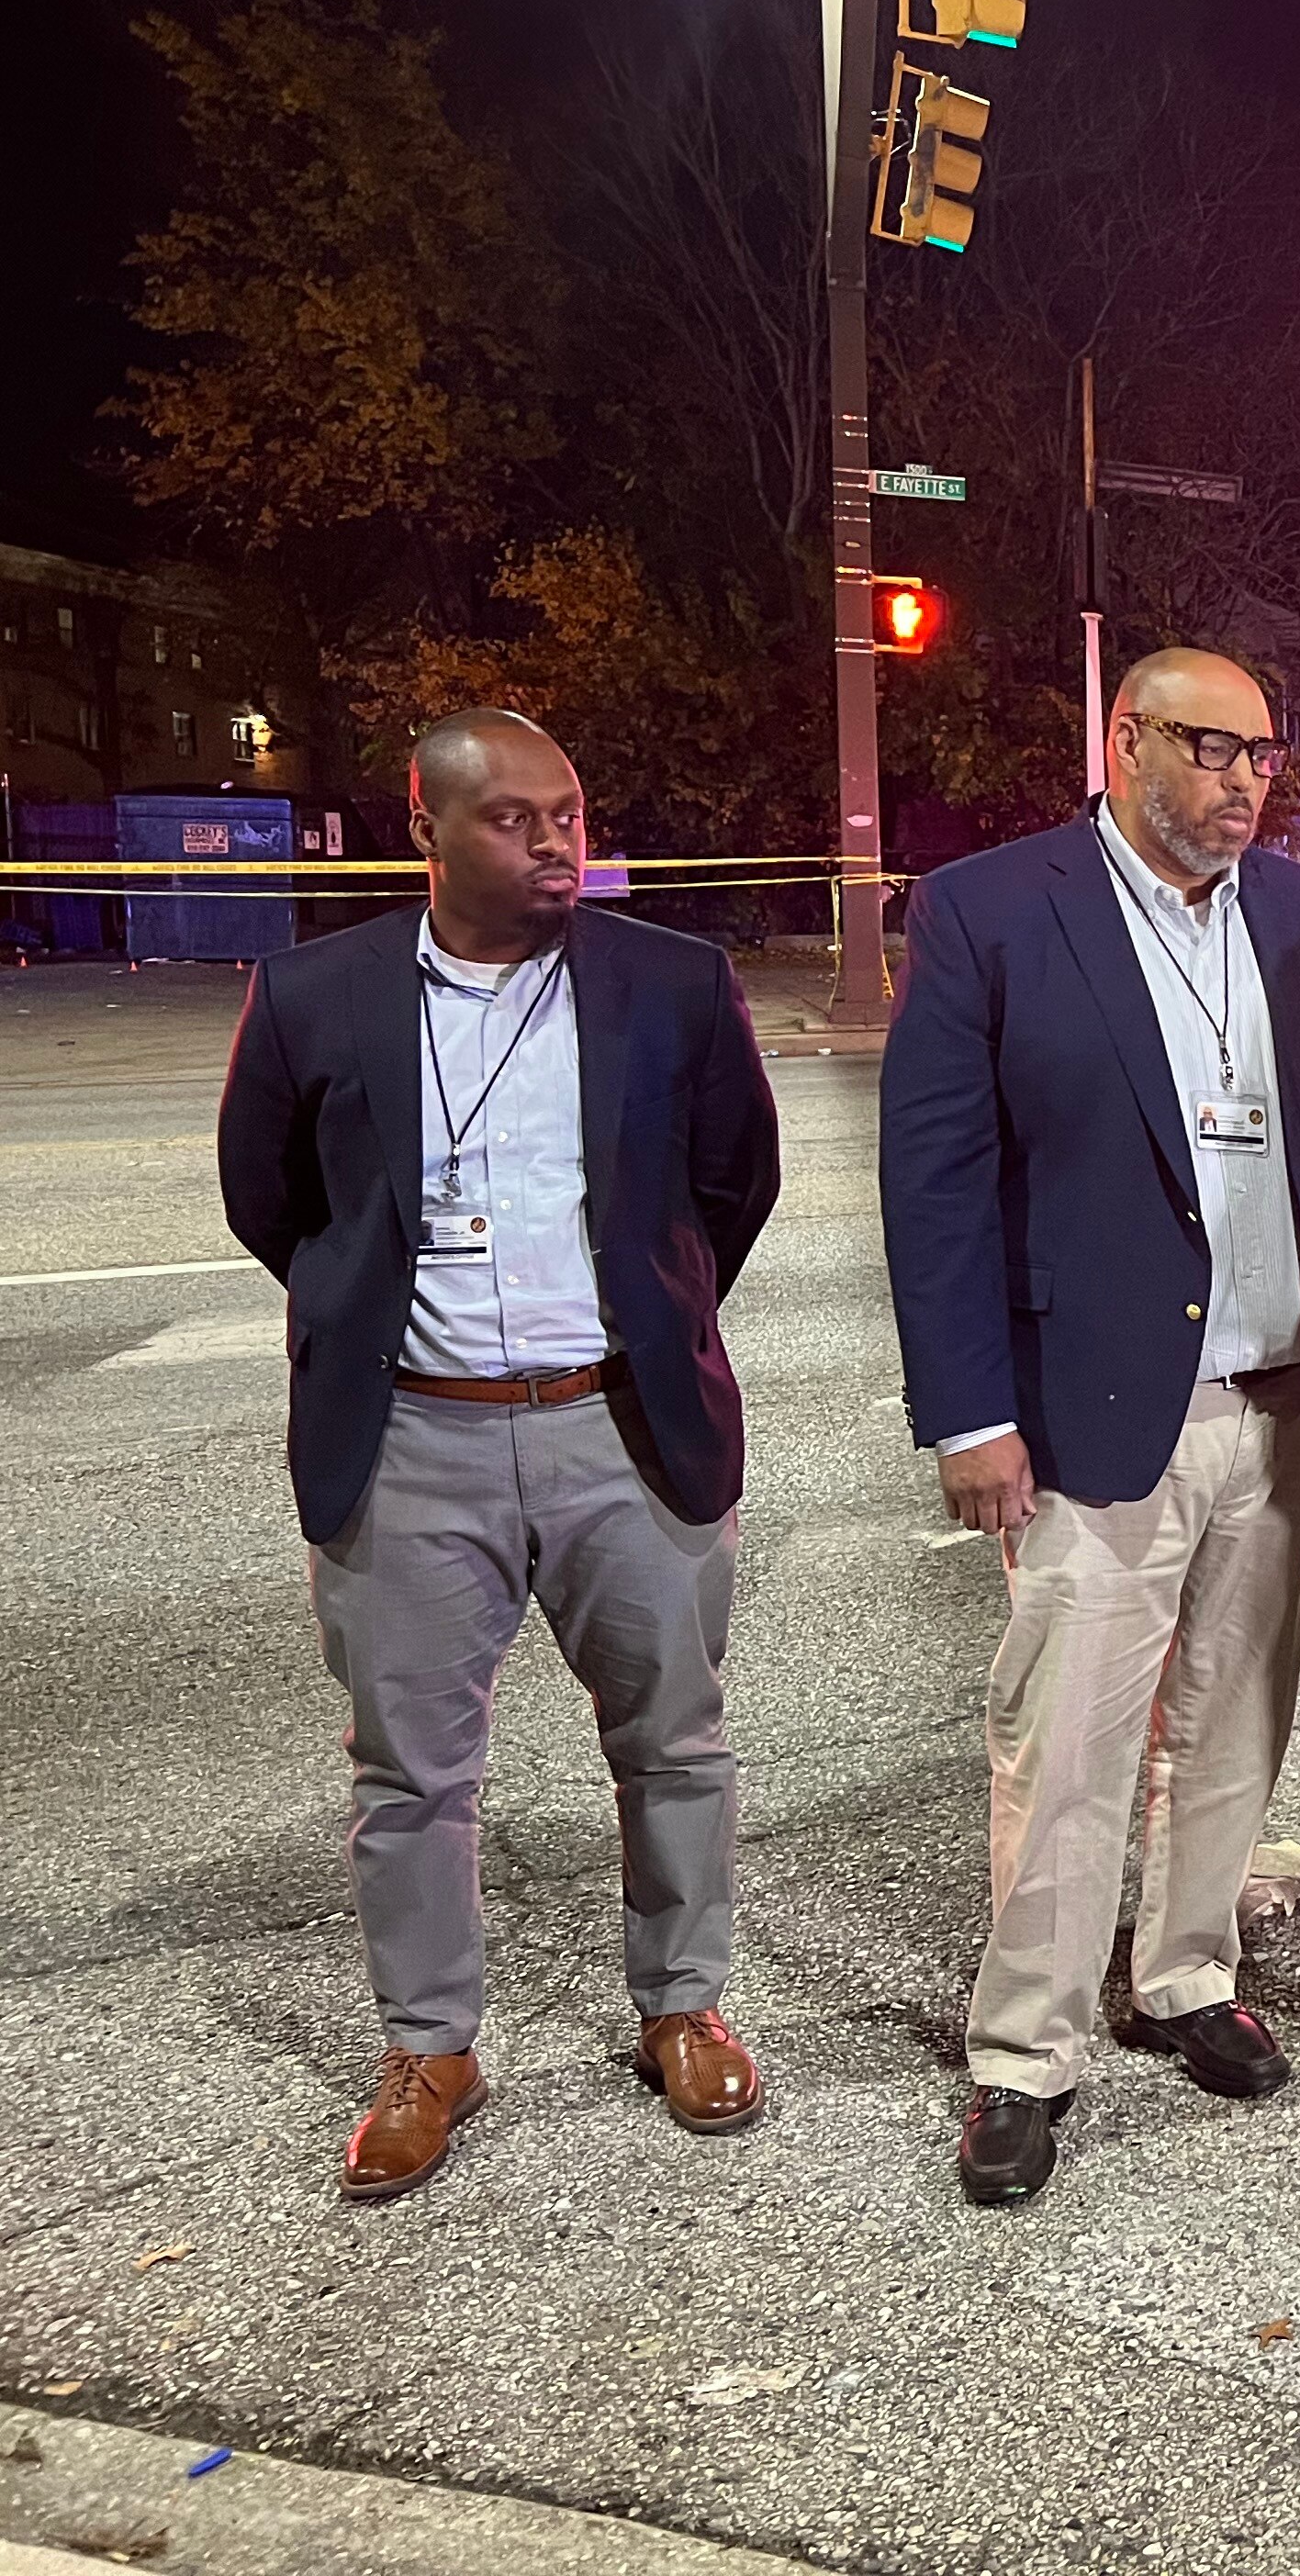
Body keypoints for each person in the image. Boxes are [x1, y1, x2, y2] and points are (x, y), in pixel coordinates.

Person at [214, 709, 783, 2201]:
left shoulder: (673, 985)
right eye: (515, 820)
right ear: (427, 827)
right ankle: (430, 2047)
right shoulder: (312, 997)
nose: (555, 844)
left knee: (674, 1739)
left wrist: (647, 1329)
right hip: (413, 1436)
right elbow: (274, 1205)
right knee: (411, 1774)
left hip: (622, 1426)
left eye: (570, 814)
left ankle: (682, 2004)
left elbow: (730, 1185)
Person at [881, 645, 1300, 2208]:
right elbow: (936, 1183)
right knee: (1067, 1744)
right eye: (1213, 749)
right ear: (1124, 742)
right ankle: (1023, 2055)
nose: (1247, 781)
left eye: (1266, 755)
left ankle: (1187, 1975)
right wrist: (969, 1412)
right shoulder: (993, 907)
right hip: (1088, 1411)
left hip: (1289, 1394)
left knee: (1237, 1721)